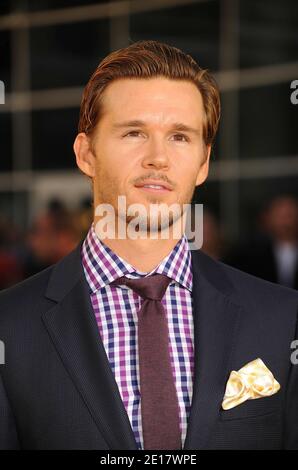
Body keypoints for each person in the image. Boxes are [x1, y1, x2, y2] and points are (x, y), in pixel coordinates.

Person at [0, 40, 298, 450]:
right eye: (134, 132)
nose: (158, 157)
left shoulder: (283, 318)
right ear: (86, 154)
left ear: (204, 162)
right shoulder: (10, 327)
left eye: (179, 136)